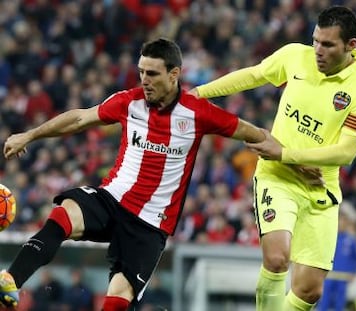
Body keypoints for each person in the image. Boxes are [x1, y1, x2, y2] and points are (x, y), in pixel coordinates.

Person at [0, 38, 270, 310]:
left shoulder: (198, 113)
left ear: (174, 74)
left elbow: (253, 133)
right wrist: (30, 135)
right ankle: (11, 281)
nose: (144, 80)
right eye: (141, 72)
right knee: (63, 213)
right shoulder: (129, 102)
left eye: (152, 73)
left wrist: (292, 158)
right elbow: (81, 118)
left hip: (150, 225)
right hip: (112, 199)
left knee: (117, 299)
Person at [191, 5, 356, 311]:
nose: (317, 50)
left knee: (309, 291)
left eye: (328, 44)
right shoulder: (296, 55)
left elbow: (346, 152)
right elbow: (253, 75)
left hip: (320, 189)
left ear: (351, 46)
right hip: (276, 176)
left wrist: (286, 153)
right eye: (315, 41)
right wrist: (198, 94)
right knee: (277, 258)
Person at [318, 201, 356, 311]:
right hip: (329, 275)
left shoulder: (351, 240)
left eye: (343, 221)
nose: (341, 223)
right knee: (324, 301)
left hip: (343, 276)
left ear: (346, 223)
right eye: (339, 220)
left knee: (339, 303)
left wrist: (354, 273)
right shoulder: (328, 236)